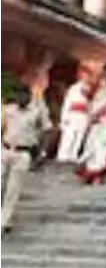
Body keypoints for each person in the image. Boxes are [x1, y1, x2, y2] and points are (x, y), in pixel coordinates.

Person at [1, 85, 50, 235]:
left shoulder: (37, 111)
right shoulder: (9, 110)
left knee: (13, 188)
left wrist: (42, 152)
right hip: (6, 149)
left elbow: (46, 130)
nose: (21, 99)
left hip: (24, 152)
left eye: (24, 95)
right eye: (19, 95)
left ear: (29, 96)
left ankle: (4, 221)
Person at [55, 70, 92, 164]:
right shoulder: (73, 88)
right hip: (73, 114)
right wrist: (64, 117)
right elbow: (67, 103)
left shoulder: (89, 89)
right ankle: (63, 156)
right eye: (83, 76)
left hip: (83, 115)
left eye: (87, 76)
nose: (85, 78)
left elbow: (90, 105)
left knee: (79, 136)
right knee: (69, 135)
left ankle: (73, 155)